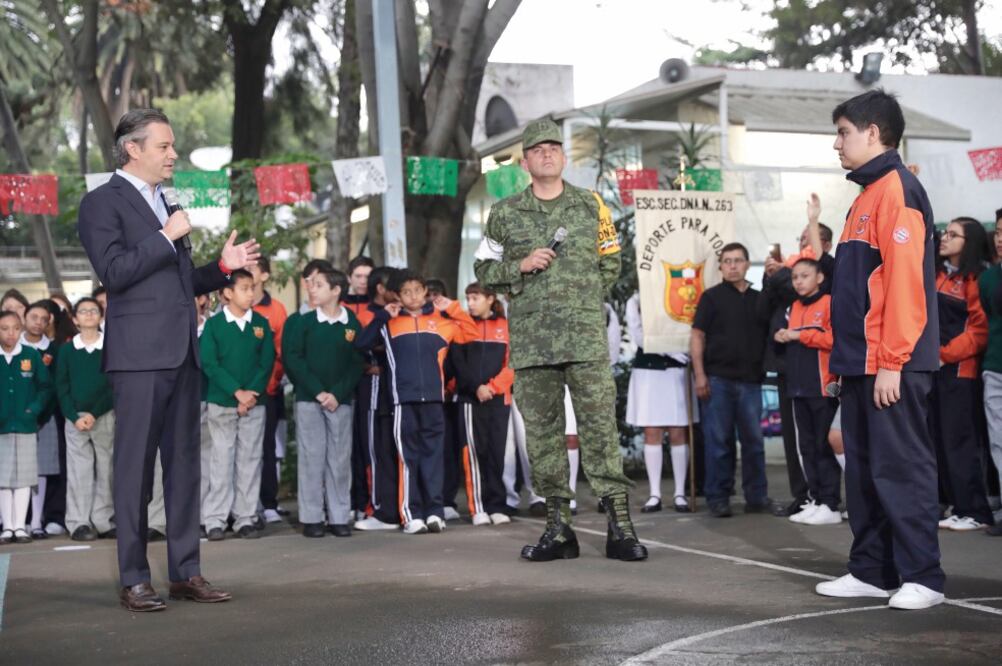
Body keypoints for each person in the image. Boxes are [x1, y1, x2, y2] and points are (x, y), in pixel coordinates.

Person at [77, 108, 258, 612]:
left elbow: (179, 284)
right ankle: (134, 577)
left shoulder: (165, 202)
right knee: (133, 470)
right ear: (132, 149)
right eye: (164, 146)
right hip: (138, 358)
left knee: (184, 469)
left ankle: (185, 572)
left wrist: (223, 268)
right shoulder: (100, 203)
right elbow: (114, 273)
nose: (173, 155)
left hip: (182, 353)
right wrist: (165, 237)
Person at [474, 117, 646, 562]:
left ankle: (621, 529)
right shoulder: (505, 212)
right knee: (544, 437)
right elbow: (483, 270)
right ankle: (558, 529)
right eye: (538, 149)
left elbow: (611, 260)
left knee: (600, 433)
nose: (547, 153)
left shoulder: (591, 205)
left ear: (563, 157)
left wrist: (585, 299)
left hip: (586, 341)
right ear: (526, 161)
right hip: (533, 346)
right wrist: (521, 267)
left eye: (554, 146)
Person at [815, 90, 944, 611]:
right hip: (860, 364)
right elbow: (853, 292)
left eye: (843, 132)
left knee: (902, 468)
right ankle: (871, 570)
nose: (836, 143)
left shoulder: (899, 191)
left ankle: (925, 578)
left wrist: (892, 361)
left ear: (873, 132)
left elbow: (907, 288)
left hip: (894, 363)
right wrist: (844, 366)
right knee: (865, 472)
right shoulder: (864, 197)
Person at [355, 269, 477, 534]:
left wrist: (454, 308)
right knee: (408, 459)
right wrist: (383, 315)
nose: (413, 296)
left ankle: (434, 512)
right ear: (397, 295)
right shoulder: (389, 323)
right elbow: (361, 344)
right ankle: (411, 514)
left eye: (418, 290)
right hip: (402, 401)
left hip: (434, 400)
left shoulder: (443, 322)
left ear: (425, 292)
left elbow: (472, 334)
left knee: (434, 457)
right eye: (406, 292)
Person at [283, 268, 364, 538]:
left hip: (340, 402)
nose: (312, 289)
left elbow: (356, 361)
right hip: (309, 399)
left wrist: (337, 394)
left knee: (339, 459)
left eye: (319, 285)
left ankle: (340, 516)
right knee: (311, 457)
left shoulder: (351, 323)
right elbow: (293, 359)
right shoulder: (304, 322)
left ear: (336, 290)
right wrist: (318, 391)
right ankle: (312, 517)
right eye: (311, 284)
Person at [691, 243, 771, 518]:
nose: (733, 265)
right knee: (719, 442)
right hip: (718, 381)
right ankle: (718, 497)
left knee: (754, 443)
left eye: (738, 260)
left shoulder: (760, 298)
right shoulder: (711, 298)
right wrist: (699, 375)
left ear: (748, 264)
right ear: (721, 266)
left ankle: (757, 497)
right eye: (727, 261)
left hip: (751, 381)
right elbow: (697, 336)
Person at [200, 269, 275, 541]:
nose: (250, 293)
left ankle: (245, 517)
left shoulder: (261, 324)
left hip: (254, 403)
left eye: (252, 287)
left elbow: (267, 361)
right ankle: (216, 519)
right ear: (227, 293)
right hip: (222, 402)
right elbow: (209, 363)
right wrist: (237, 392)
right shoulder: (214, 325)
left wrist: (251, 393)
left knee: (249, 460)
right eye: (244, 288)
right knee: (221, 460)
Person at [932, 217, 993, 532]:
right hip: (936, 371)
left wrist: (942, 355)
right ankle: (955, 504)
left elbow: (978, 332)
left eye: (953, 235)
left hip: (961, 371)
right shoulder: (939, 274)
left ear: (968, 242)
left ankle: (976, 510)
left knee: (961, 442)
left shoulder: (976, 279)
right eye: (945, 233)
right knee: (940, 440)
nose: (944, 238)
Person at [773, 259, 842, 525]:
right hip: (798, 387)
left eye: (805, 276)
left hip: (822, 386)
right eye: (795, 277)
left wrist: (798, 336)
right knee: (806, 446)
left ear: (820, 277)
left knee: (823, 445)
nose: (799, 281)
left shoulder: (829, 303)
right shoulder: (794, 307)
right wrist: (782, 336)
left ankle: (831, 502)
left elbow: (835, 339)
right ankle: (816, 499)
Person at [450, 282, 514, 526]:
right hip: (470, 399)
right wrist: (476, 387)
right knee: (474, 453)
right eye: (468, 298)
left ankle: (496, 505)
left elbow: (512, 363)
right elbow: (458, 363)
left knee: (496, 453)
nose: (471, 303)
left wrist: (494, 387)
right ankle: (477, 507)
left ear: (490, 299)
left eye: (475, 298)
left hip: (499, 400)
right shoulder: (462, 327)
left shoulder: (505, 327)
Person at [625, 292, 695, 514]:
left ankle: (679, 493)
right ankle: (654, 493)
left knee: (678, 432)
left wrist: (686, 352)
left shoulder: (677, 292)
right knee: (652, 431)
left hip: (676, 372)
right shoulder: (636, 299)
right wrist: (671, 351)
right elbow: (638, 336)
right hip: (649, 371)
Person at [55, 297, 115, 541]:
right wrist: (73, 415)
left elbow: (114, 384)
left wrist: (95, 412)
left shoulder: (111, 346)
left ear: (101, 317)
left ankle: (103, 520)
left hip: (105, 414)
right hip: (76, 418)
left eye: (94, 311)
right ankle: (78, 522)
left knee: (106, 468)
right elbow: (61, 386)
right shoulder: (67, 350)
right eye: (83, 311)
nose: (89, 314)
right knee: (79, 470)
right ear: (74, 318)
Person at [353, 267, 404, 531]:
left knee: (402, 453)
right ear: (383, 290)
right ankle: (379, 509)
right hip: (375, 392)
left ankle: (406, 508)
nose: (403, 296)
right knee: (377, 452)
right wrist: (383, 318)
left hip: (403, 394)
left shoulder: (411, 315)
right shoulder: (373, 314)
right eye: (399, 290)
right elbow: (361, 344)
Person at [0, 310, 53, 544]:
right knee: (2, 477)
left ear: (21, 329)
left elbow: (45, 387)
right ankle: (7, 526)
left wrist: (33, 409)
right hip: (1, 427)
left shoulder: (30, 355)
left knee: (24, 476)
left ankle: (21, 526)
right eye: (4, 328)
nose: (10, 333)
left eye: (14, 328)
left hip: (26, 426)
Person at [565, 302, 621, 515]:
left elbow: (612, 346)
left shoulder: (604, 308)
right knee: (570, 438)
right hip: (567, 380)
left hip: (595, 380)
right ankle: (569, 496)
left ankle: (604, 493)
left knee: (598, 439)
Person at [247, 256, 288, 526]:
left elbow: (281, 351)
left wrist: (269, 383)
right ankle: (245, 506)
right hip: (236, 394)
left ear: (264, 275)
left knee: (267, 447)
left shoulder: (276, 309)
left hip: (269, 391)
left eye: (251, 269)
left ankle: (269, 502)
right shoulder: (230, 307)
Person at [20, 301, 63, 538]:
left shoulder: (53, 350)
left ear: (48, 323)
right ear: (24, 318)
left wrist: (40, 415)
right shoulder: (13, 347)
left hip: (45, 418)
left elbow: (53, 386)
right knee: (16, 469)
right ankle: (18, 521)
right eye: (33, 316)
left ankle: (37, 521)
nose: (38, 322)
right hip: (15, 419)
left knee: (42, 469)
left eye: (43, 319)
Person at [343, 255, 374, 520]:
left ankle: (366, 502)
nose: (363, 281)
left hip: (368, 383)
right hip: (342, 383)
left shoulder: (376, 307)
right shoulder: (339, 305)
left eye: (367, 276)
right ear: (349, 277)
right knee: (345, 445)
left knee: (366, 443)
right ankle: (347, 501)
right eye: (359, 276)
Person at [980, 208, 1002, 537]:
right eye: (998, 231)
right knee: (998, 443)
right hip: (995, 368)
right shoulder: (988, 278)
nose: (1000, 238)